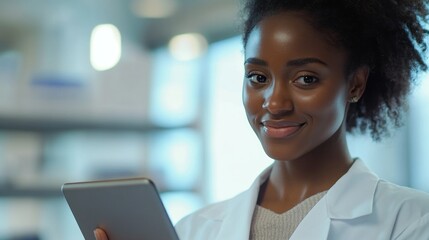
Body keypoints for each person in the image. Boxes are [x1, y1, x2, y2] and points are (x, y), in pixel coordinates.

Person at [95, 0, 429, 239]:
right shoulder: (194, 229)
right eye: (257, 78)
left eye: (306, 78)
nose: (275, 102)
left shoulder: (412, 222)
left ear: (355, 84)